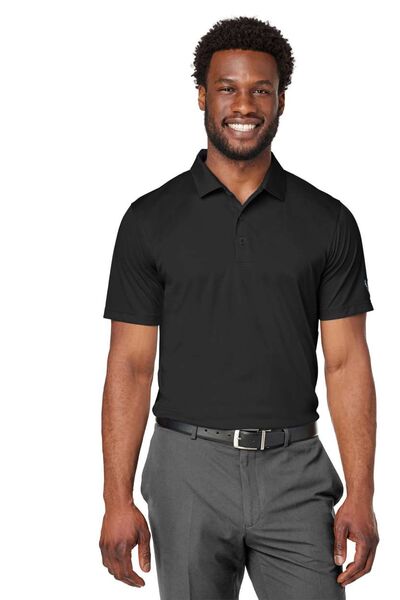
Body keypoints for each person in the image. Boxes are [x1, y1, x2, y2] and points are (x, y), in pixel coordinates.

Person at [99, 15, 379, 600]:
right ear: (202, 95)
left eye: (261, 90)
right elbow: (129, 365)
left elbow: (347, 361)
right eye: (227, 88)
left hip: (295, 469)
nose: (244, 105)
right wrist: (116, 499)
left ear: (282, 101)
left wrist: (362, 493)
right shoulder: (149, 220)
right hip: (186, 469)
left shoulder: (328, 221)